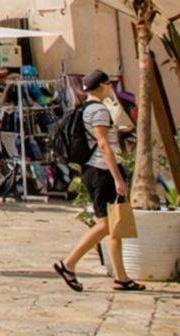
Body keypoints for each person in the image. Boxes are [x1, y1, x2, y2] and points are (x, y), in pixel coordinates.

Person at [53, 69, 145, 292]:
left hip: (94, 170)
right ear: (104, 86)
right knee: (105, 223)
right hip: (103, 171)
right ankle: (69, 263)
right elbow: (103, 144)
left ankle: (121, 277)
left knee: (114, 225)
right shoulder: (98, 111)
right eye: (109, 85)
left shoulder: (84, 108)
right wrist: (118, 178)